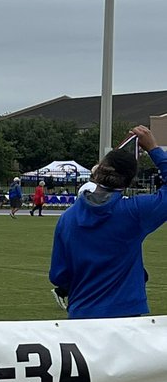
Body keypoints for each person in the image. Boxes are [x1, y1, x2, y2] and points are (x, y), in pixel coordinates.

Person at [49, 126, 167, 319]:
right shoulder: (133, 213)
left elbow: (59, 275)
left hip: (81, 315)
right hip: (125, 314)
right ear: (128, 181)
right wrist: (154, 149)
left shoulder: (67, 218)